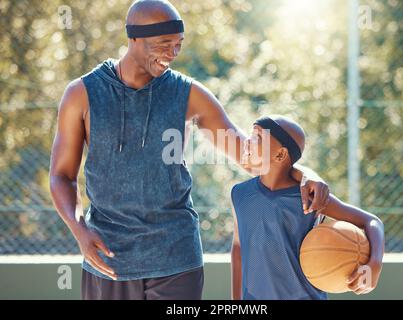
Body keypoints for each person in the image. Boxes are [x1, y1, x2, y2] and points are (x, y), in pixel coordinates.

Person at [49, 0, 330, 300]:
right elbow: (62, 176)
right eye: (163, 44)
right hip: (109, 259)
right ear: (133, 38)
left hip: (176, 259)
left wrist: (306, 174)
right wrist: (79, 230)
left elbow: (251, 158)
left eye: (178, 44)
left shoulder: (189, 94)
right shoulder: (82, 94)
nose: (172, 53)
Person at [230, 115, 385, 300]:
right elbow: (238, 249)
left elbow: (372, 221)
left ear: (280, 154)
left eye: (258, 137)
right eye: (251, 134)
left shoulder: (310, 197)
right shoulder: (239, 194)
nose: (248, 141)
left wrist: (374, 263)